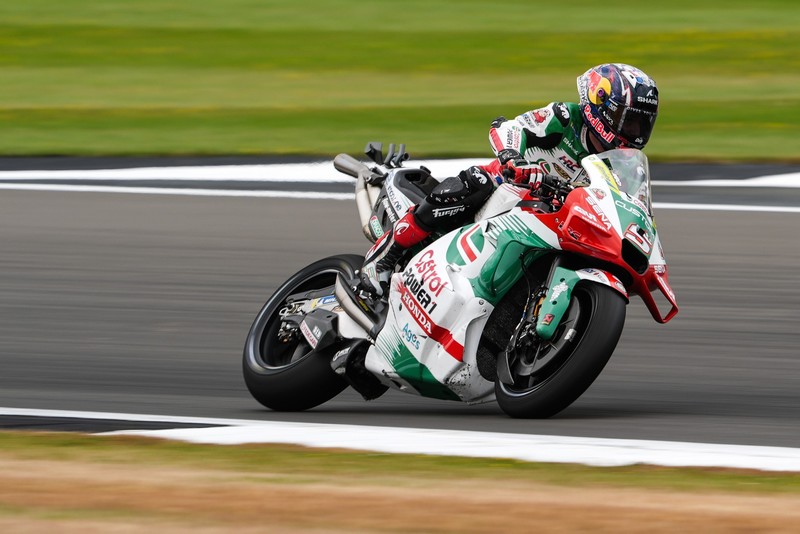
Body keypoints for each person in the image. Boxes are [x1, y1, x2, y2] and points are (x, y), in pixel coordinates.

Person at [359, 63, 659, 297]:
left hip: (553, 219)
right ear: (600, 102)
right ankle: (386, 258)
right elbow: (509, 128)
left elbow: (626, 204)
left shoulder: (624, 166)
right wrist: (513, 158)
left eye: (641, 123)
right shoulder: (566, 118)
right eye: (628, 119)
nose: (635, 131)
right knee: (478, 181)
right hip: (507, 190)